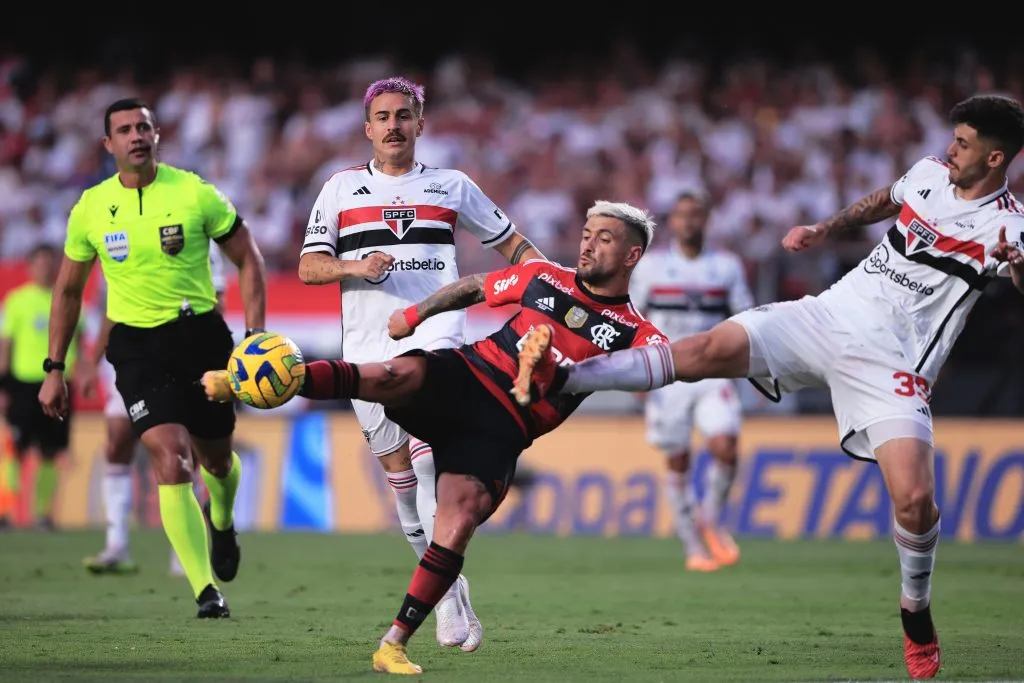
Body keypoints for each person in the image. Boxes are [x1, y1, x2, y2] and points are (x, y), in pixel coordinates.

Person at [513, 94, 1024, 680]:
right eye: (954, 138)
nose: (951, 149)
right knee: (703, 351)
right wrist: (824, 227)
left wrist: (1015, 263)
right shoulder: (930, 175)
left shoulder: (1009, 223)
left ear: (995, 158)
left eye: (964, 144)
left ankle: (916, 611)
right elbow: (887, 199)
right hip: (827, 315)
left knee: (914, 501)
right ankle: (566, 375)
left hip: (893, 362)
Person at [204, 199, 668, 674]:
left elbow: (651, 372)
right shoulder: (545, 276)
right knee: (390, 375)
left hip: (505, 425)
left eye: (604, 239)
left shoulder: (637, 334)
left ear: (632, 256)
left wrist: (569, 371)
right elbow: (475, 286)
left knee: (459, 518)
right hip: (470, 374)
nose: (588, 244)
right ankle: (252, 380)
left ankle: (393, 644)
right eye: (588, 233)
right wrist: (416, 314)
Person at [297, 75, 544, 651]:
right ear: (368, 127)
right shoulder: (338, 190)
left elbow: (513, 245)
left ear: (420, 124)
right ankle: (451, 595)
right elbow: (310, 267)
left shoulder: (452, 185)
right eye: (383, 117)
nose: (394, 126)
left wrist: (550, 284)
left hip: (437, 339)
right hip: (366, 350)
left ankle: (439, 602)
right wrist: (355, 268)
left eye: (404, 115)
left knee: (430, 464)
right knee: (403, 485)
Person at [38, 97, 269, 619]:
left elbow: (248, 259)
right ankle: (205, 589)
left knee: (216, 461)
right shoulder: (91, 208)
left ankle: (224, 520)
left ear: (157, 134)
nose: (136, 136)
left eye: (143, 126)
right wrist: (55, 368)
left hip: (203, 339)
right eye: (124, 129)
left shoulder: (194, 192)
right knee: (171, 458)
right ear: (108, 144)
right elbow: (68, 292)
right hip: (137, 346)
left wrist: (255, 337)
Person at [79, 248, 230, 575]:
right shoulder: (122, 232)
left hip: (185, 356)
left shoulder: (200, 236)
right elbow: (112, 311)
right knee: (117, 438)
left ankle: (186, 548)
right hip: (138, 359)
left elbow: (216, 302)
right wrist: (91, 363)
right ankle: (116, 543)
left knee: (186, 451)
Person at [629, 191, 754, 571]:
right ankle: (692, 546)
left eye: (695, 215)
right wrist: (636, 371)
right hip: (668, 376)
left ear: (706, 220)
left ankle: (710, 519)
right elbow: (632, 317)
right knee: (678, 460)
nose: (689, 222)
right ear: (673, 223)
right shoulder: (651, 267)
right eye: (681, 216)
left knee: (726, 447)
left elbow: (746, 318)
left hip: (713, 372)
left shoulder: (727, 266)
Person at [0, 243, 84, 529]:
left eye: (50, 263)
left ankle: (43, 515)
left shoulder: (68, 299)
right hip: (23, 384)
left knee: (51, 450)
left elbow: (81, 342)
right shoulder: (16, 301)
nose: (45, 268)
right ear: (30, 266)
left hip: (60, 382)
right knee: (16, 449)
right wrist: (3, 386)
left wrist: (83, 373)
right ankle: (6, 512)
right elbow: (5, 345)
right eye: (40, 263)